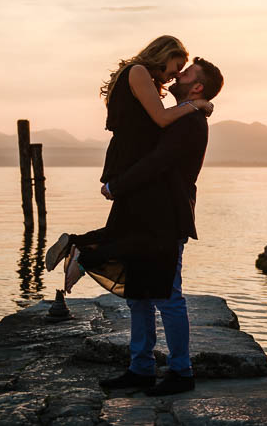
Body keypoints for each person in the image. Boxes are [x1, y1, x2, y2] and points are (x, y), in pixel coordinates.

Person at [44, 36, 211, 307]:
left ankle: (76, 246)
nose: (176, 73)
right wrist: (197, 104)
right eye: (177, 65)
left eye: (183, 70)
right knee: (137, 237)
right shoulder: (138, 72)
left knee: (125, 231)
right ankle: (82, 255)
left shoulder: (143, 77)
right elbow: (161, 119)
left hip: (130, 160)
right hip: (130, 160)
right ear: (164, 54)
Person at [94, 57, 223, 396]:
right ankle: (141, 368)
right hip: (144, 216)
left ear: (196, 87)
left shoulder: (190, 121)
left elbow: (156, 163)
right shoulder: (173, 117)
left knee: (167, 296)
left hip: (167, 217)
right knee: (138, 296)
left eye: (187, 73)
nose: (177, 75)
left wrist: (116, 187)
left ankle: (181, 371)